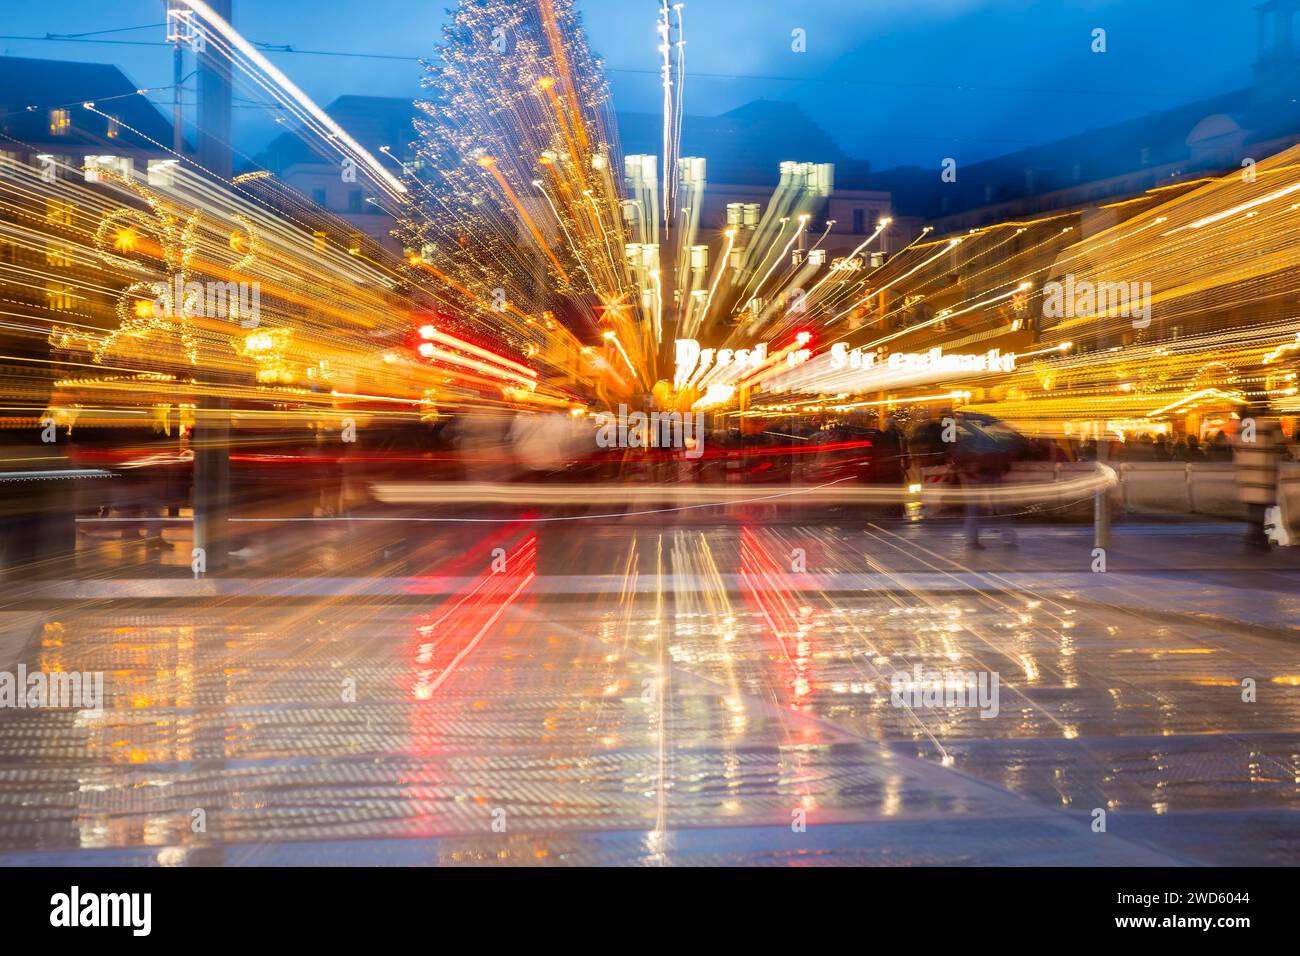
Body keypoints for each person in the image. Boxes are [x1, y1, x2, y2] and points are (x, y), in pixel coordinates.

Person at [1233, 408, 1287, 549]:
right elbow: (1281, 444)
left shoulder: (1243, 425)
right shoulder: (1270, 424)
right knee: (1260, 504)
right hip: (1263, 470)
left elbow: (1236, 446)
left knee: (1253, 504)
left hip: (1247, 471)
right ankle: (1257, 535)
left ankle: (1254, 533)